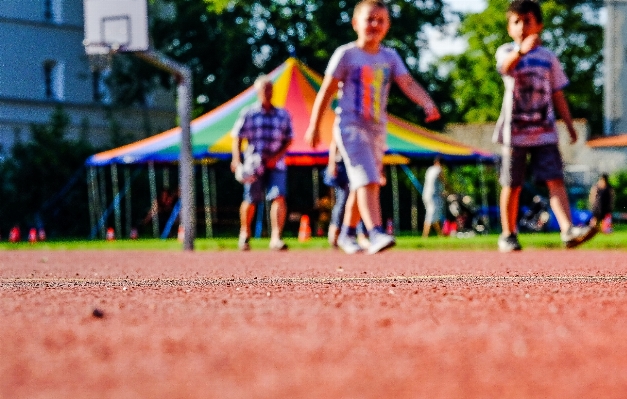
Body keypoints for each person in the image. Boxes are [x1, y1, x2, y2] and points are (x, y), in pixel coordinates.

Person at [305, 0, 441, 254]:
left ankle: (346, 234)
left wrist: (427, 103)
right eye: (370, 19)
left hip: (377, 128)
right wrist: (314, 125)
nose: (375, 24)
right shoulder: (346, 55)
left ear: (388, 26)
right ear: (356, 23)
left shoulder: (389, 56)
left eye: (381, 20)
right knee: (367, 178)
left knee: (365, 181)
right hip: (350, 125)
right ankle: (375, 231)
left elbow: (407, 82)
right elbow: (326, 91)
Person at [493, 0, 597, 252]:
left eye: (527, 21)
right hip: (514, 133)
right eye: (516, 22)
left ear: (538, 25)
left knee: (555, 180)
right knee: (512, 183)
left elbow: (558, 93)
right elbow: (505, 68)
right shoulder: (506, 51)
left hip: (544, 132)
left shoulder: (548, 57)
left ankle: (567, 229)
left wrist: (569, 125)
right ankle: (508, 234)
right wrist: (521, 51)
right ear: (509, 28)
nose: (522, 27)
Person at [231, 75, 294, 251]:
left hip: (277, 164)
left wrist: (276, 156)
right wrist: (237, 159)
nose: (267, 92)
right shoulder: (248, 113)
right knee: (250, 199)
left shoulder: (283, 114)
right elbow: (237, 137)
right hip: (253, 163)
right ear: (257, 92)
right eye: (264, 89)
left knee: (279, 196)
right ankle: (245, 233)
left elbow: (289, 139)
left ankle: (276, 237)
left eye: (270, 89)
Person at [422, 156, 447, 237]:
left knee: (434, 215)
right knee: (431, 214)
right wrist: (452, 191)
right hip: (433, 196)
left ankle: (440, 234)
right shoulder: (438, 170)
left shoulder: (429, 169)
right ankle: (424, 236)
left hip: (426, 195)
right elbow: (444, 182)